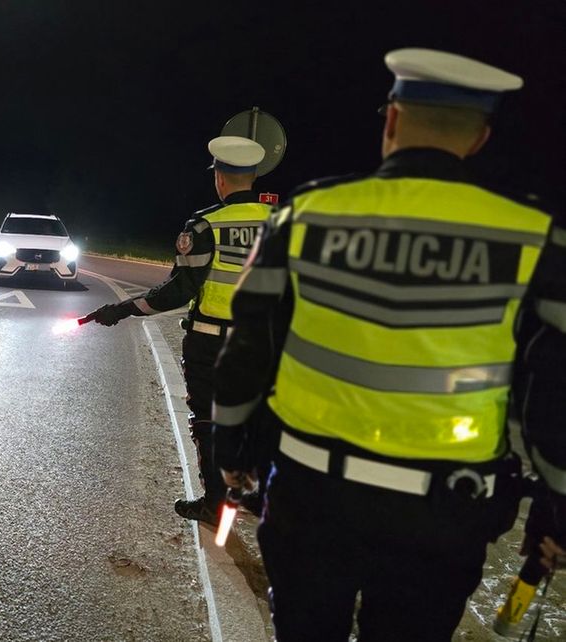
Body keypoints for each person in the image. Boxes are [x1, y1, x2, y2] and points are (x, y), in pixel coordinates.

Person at [210, 48, 566, 640]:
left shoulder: (306, 215)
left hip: (309, 497)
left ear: (393, 120)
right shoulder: (535, 237)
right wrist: (555, 507)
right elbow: (550, 391)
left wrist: (233, 452)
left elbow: (247, 350)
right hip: (444, 516)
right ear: (479, 137)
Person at [87, 135, 273, 526]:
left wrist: (123, 310)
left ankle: (215, 503)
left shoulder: (206, 226)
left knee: (208, 418)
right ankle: (256, 495)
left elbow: (179, 290)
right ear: (254, 176)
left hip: (212, 340)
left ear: (220, 178)